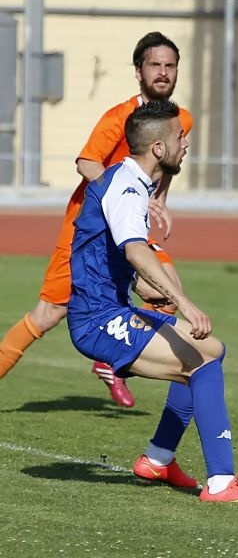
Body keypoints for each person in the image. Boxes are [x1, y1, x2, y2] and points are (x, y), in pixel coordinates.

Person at [68, 98, 238, 504]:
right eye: (180, 137)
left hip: (108, 309)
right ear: (159, 148)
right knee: (203, 360)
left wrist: (143, 285)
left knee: (210, 350)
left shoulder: (132, 181)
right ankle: (221, 482)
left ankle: (159, 459)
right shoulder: (126, 185)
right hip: (98, 320)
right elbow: (135, 250)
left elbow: (107, 249)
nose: (185, 144)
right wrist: (184, 302)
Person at [0, 31, 192, 408]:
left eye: (170, 66)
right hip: (86, 229)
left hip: (129, 231)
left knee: (167, 293)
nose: (163, 72)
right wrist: (118, 191)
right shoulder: (119, 116)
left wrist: (161, 201)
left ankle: (113, 360)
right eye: (155, 64)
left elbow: (165, 164)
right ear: (138, 71)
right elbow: (87, 161)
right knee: (49, 313)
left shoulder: (181, 119)